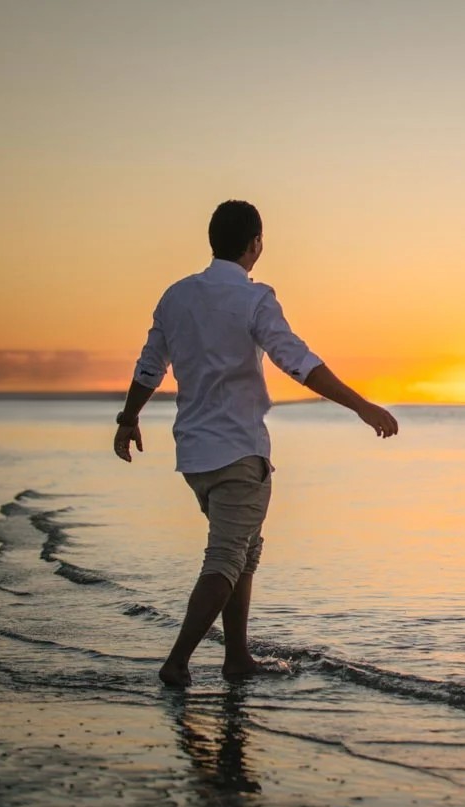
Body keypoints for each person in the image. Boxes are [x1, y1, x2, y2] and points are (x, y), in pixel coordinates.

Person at [113, 199, 398, 687]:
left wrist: (128, 419)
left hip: (196, 456)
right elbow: (297, 361)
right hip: (239, 451)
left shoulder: (175, 297)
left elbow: (149, 367)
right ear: (255, 244)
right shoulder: (255, 298)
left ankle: (237, 657)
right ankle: (177, 662)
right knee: (226, 556)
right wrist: (361, 405)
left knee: (244, 549)